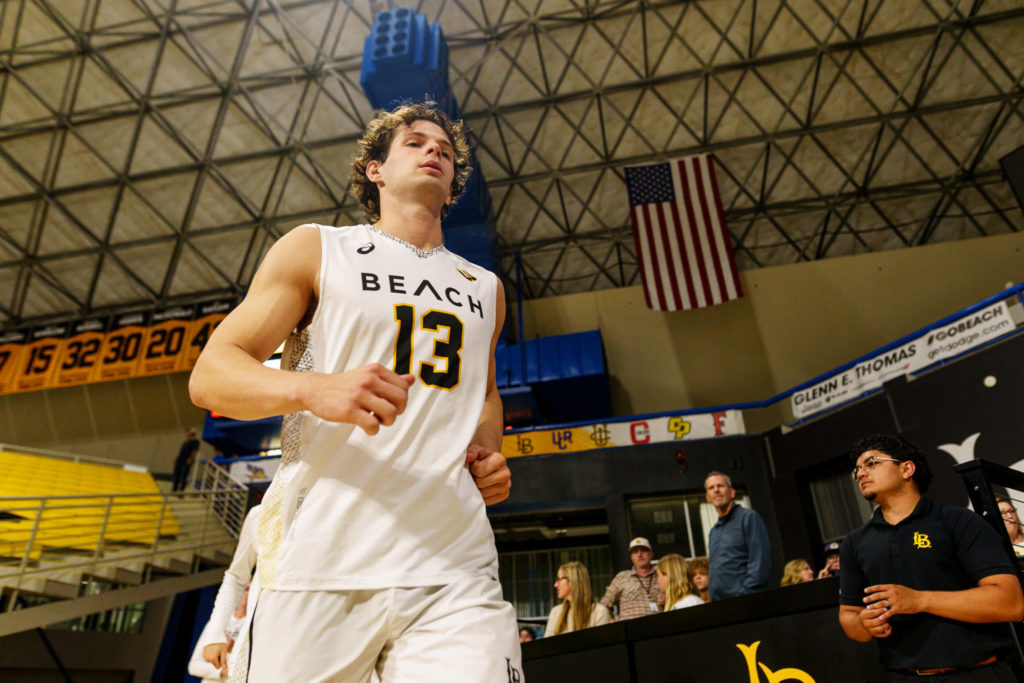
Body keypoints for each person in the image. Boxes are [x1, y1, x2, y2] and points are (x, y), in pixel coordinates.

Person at [189, 102, 520, 682]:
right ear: (376, 170)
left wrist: (488, 450)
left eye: (444, 148)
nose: (434, 151)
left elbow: (485, 393)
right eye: (415, 142)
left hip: (454, 563)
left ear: (453, 186)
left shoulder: (485, 288)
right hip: (321, 558)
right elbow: (212, 375)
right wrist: (314, 390)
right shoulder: (318, 248)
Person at [839, 434, 1024, 680]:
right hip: (902, 675)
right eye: (857, 469)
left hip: (978, 673)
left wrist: (919, 600)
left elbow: (1011, 603)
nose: (861, 473)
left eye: (872, 463)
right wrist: (864, 623)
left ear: (907, 469)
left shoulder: (958, 521)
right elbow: (848, 615)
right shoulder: (854, 543)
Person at [705, 471, 772, 600]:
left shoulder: (748, 518)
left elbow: (760, 562)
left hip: (745, 602)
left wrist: (745, 594)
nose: (716, 490)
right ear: (708, 497)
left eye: (720, 486)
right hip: (720, 605)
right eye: (711, 488)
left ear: (732, 492)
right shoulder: (714, 531)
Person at [599, 537, 663, 620]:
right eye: (635, 552)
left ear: (651, 554)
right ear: (631, 557)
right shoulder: (621, 577)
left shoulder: (661, 574)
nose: (639, 555)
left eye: (643, 550)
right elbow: (604, 605)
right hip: (630, 629)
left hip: (659, 626)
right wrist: (611, 620)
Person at [545, 561, 612, 636]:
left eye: (559, 579)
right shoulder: (556, 612)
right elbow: (547, 646)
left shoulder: (599, 612)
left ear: (573, 580)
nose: (555, 585)